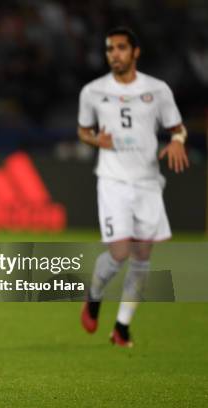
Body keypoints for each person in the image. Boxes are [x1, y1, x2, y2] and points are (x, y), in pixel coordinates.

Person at [77, 27, 189, 347]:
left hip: (148, 182)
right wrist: (97, 139)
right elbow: (84, 131)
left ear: (135, 52)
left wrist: (178, 142)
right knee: (119, 252)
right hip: (113, 181)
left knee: (142, 256)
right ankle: (95, 295)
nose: (115, 54)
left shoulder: (158, 90)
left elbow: (177, 129)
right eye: (110, 48)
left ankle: (122, 327)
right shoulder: (93, 91)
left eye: (121, 48)